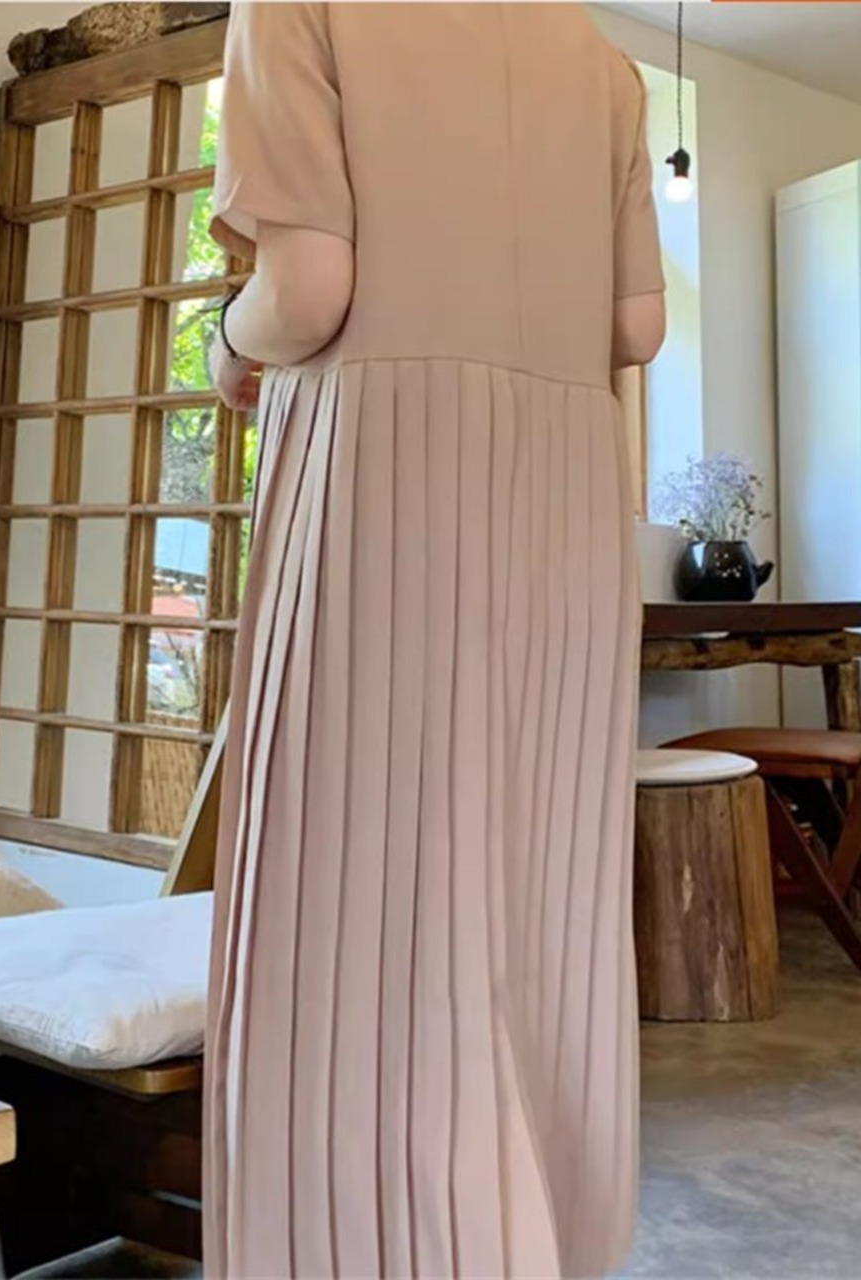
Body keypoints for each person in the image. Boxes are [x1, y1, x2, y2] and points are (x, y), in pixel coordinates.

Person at [204, 4, 666, 1277]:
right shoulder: (604, 65)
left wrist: (227, 344)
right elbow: (635, 328)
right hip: (564, 495)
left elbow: (306, 289)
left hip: (386, 468)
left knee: (355, 902)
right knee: (542, 894)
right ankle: (545, 1232)